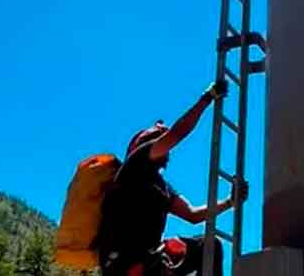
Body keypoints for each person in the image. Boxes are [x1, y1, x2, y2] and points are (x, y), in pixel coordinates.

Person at [96, 80, 248, 276]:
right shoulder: (133, 167)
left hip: (151, 259)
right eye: (159, 137)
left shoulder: (163, 188)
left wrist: (230, 202)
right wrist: (207, 97)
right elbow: (177, 134)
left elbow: (193, 214)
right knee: (155, 262)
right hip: (123, 263)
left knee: (209, 246)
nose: (165, 142)